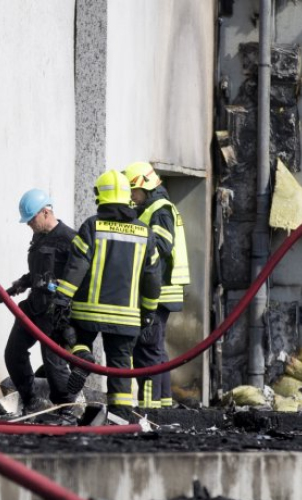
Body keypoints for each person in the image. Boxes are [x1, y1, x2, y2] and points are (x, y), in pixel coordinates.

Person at [49, 170, 161, 420]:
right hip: (127, 317)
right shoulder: (145, 232)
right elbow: (153, 277)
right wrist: (149, 311)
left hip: (87, 312)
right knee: (120, 365)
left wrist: (62, 299)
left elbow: (77, 266)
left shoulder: (92, 226)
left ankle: (82, 359)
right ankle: (119, 419)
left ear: (101, 196)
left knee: (72, 337)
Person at [3, 189, 78, 424]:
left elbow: (80, 276)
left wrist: (61, 292)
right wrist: (22, 283)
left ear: (46, 212)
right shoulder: (39, 237)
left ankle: (67, 410)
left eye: (31, 220)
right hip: (34, 306)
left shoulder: (70, 239)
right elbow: (39, 271)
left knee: (54, 361)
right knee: (13, 353)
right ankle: (32, 402)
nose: (29, 225)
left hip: (55, 312)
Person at [123, 161, 190, 409]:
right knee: (156, 349)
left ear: (144, 185)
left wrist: (134, 236)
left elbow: (161, 246)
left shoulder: (159, 209)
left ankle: (150, 408)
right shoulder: (155, 207)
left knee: (147, 349)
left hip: (159, 290)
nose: (131, 196)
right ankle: (163, 403)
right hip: (162, 289)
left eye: (133, 190)